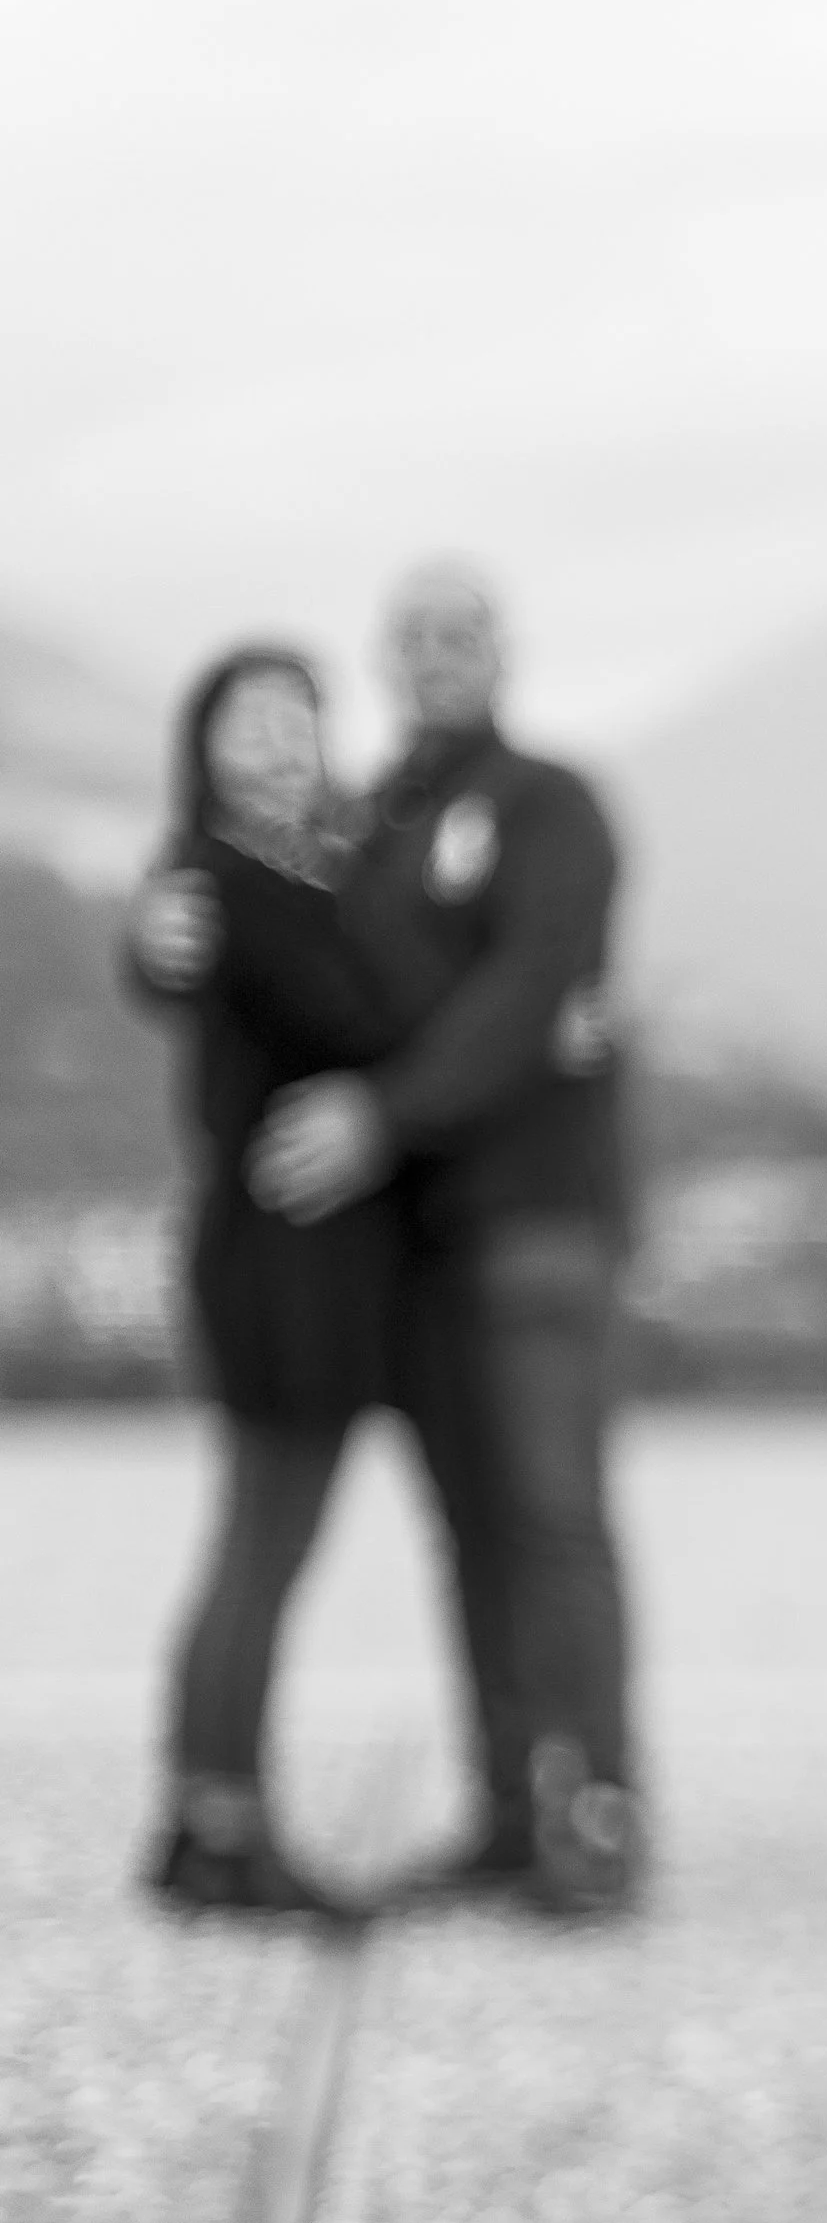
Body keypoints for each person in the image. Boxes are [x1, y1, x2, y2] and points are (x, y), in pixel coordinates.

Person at [139, 564, 645, 1917]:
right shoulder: (375, 824)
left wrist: (398, 1100)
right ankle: (502, 1810)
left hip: (533, 1222)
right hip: (405, 1243)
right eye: (411, 637)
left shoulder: (549, 803)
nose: (436, 657)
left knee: (550, 1523)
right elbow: (229, 929)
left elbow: (525, 984)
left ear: (504, 647)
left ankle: (594, 1812)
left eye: (461, 632)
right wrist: (149, 943)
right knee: (469, 1529)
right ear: (388, 658)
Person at [133, 646, 402, 1915]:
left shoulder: (292, 866)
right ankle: (228, 1831)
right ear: (205, 742)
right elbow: (345, 1014)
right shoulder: (228, 872)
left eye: (301, 713)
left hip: (276, 1250)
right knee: (262, 1548)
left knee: (247, 1543)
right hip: (278, 1255)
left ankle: (197, 1819)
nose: (283, 738)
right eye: (251, 718)